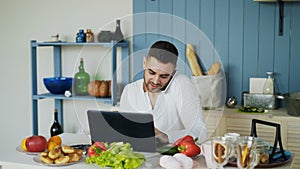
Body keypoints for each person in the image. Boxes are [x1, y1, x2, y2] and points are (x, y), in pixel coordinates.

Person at [119, 40, 208, 144]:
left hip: (175, 157)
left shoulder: (182, 84)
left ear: (174, 70)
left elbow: (201, 132)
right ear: (144, 63)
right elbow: (124, 134)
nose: (156, 81)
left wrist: (165, 136)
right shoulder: (130, 90)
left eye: (164, 76)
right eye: (152, 72)